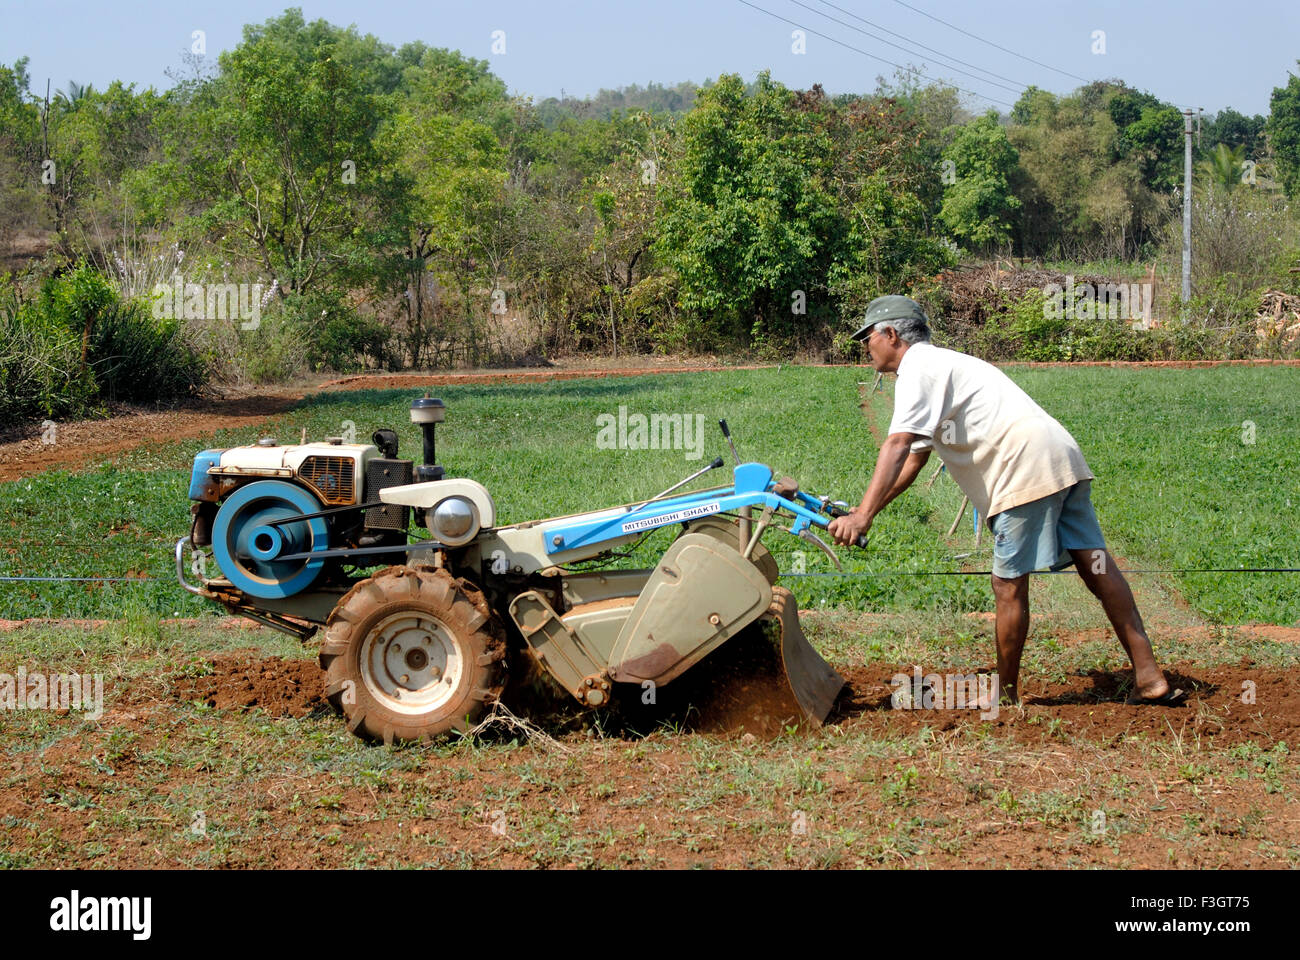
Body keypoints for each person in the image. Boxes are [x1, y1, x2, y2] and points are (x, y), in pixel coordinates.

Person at [827, 295, 1182, 707]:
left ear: (891, 334)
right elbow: (916, 458)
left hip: (1022, 464)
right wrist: (862, 513)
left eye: (867, 337)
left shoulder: (917, 368)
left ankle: (1006, 694)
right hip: (1058, 452)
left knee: (1007, 584)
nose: (865, 346)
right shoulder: (944, 363)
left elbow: (897, 444)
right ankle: (1149, 676)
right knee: (1095, 562)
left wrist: (863, 518)